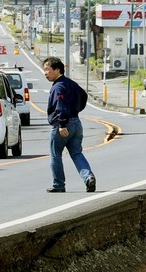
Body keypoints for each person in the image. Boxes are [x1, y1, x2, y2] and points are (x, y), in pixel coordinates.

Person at [42, 56, 96, 193]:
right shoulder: (71, 83)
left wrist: (62, 124)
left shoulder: (58, 87)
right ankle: (88, 177)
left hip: (63, 125)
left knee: (55, 155)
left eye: (47, 69)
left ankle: (58, 184)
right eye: (44, 70)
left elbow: (61, 105)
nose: (45, 73)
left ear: (57, 69)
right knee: (77, 153)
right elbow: (83, 96)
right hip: (76, 123)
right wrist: (75, 111)